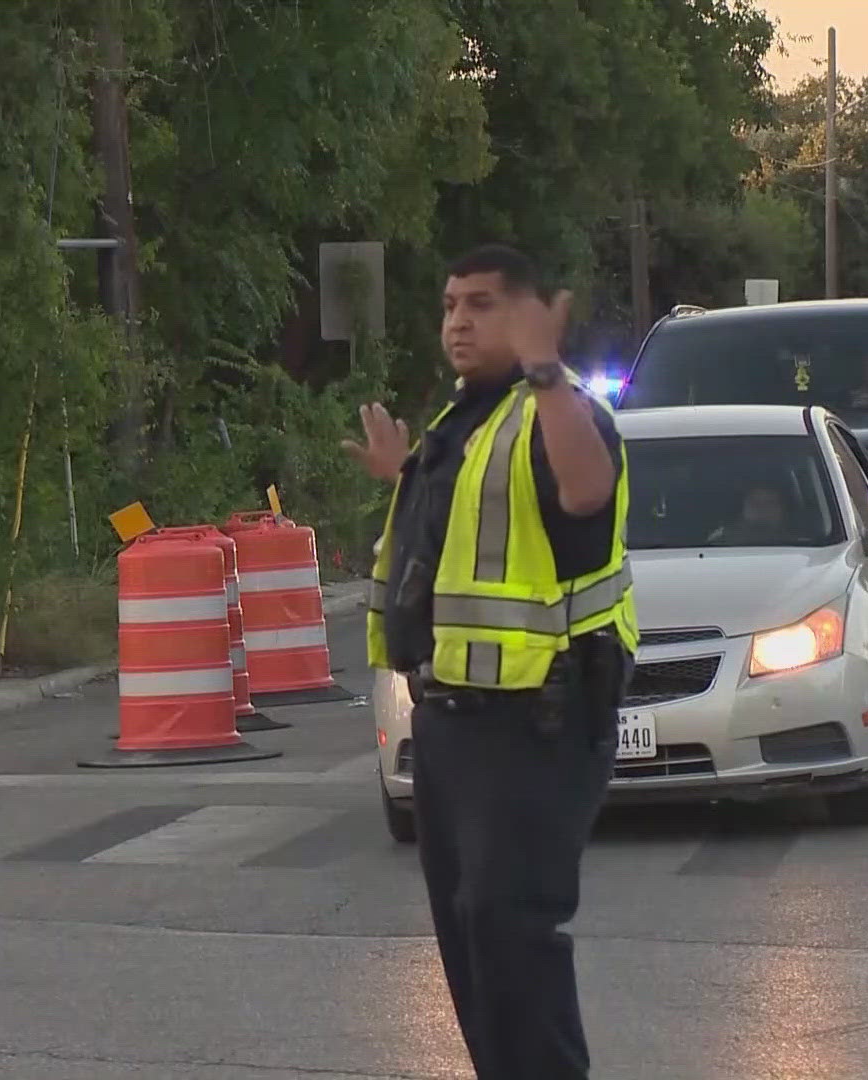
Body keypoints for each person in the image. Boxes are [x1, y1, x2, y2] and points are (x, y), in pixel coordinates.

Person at [343, 244, 637, 1080]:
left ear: (530, 316)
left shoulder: (560, 408)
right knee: (472, 936)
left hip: (536, 721)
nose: (457, 322)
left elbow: (584, 492)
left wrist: (546, 371)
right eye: (449, 305)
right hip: (451, 721)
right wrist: (402, 474)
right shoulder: (462, 423)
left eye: (480, 304)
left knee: (511, 927)